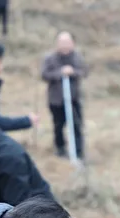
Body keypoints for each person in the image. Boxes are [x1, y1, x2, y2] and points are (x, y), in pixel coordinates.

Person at [41, 31, 88, 160]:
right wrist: (59, 73)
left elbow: (84, 71)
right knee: (58, 126)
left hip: (74, 98)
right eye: (62, 43)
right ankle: (60, 149)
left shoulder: (77, 57)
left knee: (77, 126)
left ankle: (78, 152)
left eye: (67, 42)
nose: (65, 46)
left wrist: (72, 72)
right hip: (56, 100)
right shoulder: (50, 58)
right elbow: (44, 74)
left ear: (73, 43)